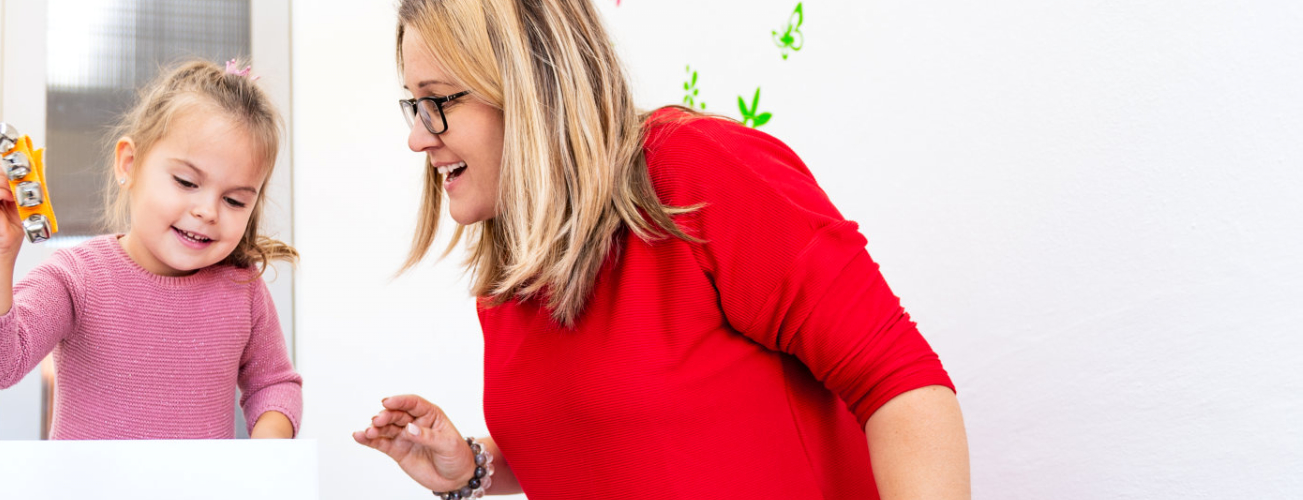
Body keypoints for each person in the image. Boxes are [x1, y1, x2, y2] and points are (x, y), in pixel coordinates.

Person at [351, 1, 970, 498]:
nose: (416, 137)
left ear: (528, 86)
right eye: (413, 104)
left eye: (437, 102)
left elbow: (900, 386)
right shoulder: (514, 273)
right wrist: (475, 468)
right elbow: (610, 442)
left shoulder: (696, 173)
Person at [0, 59, 302, 440]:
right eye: (186, 182)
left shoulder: (243, 289)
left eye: (234, 201)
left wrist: (267, 455)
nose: (207, 211)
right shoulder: (78, 277)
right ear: (129, 164)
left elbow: (274, 385)